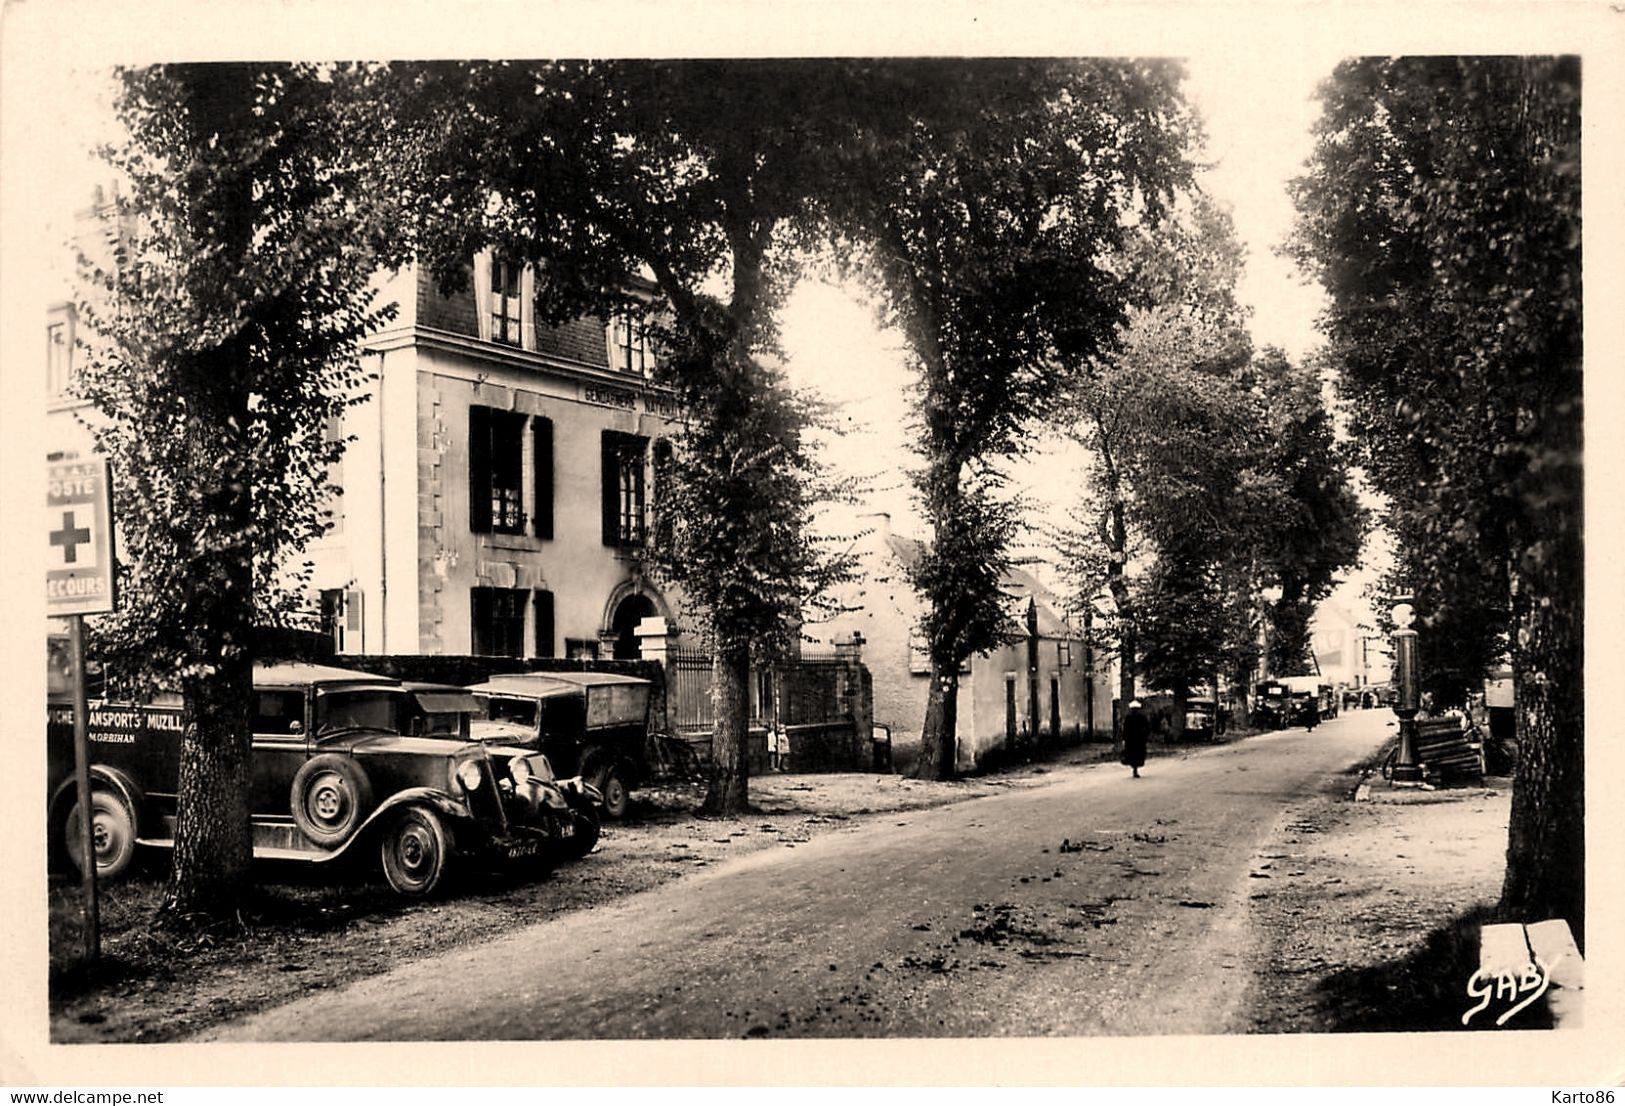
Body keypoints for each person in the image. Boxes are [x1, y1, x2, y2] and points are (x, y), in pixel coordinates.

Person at [1122, 700, 1149, 779]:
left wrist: (1124, 738)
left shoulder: (1128, 717)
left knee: (1132, 754)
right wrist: (1145, 736)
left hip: (1131, 739)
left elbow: (1125, 729)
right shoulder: (1142, 717)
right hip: (1139, 739)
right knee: (1138, 754)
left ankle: (1134, 768)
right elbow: (1147, 728)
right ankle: (1135, 768)